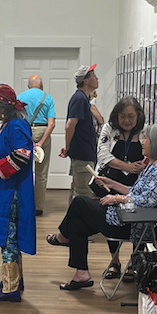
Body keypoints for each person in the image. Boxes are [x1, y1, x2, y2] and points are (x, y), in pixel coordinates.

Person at [47, 123, 157, 290]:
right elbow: (135, 192)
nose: (142, 142)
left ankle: (62, 237)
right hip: (122, 216)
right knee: (77, 224)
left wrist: (116, 198)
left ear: (154, 142)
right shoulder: (150, 167)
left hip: (127, 223)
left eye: (145, 139)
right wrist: (111, 183)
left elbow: (147, 200)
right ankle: (81, 273)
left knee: (79, 202)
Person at [0, 84, 36, 302]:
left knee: (8, 238)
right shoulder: (12, 124)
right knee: (10, 236)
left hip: (10, 194)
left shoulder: (15, 126)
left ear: (0, 108)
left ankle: (10, 288)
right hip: (8, 191)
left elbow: (22, 155)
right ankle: (13, 279)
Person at [94, 97, 147, 281]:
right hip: (110, 182)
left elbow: (153, 154)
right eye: (123, 116)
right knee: (111, 218)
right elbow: (102, 155)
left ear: (138, 116)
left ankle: (134, 262)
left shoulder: (144, 131)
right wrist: (128, 167)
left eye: (131, 116)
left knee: (138, 220)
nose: (126, 120)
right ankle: (114, 261)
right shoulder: (109, 128)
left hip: (136, 184)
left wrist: (144, 166)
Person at [17, 75, 56, 216]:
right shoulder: (48, 98)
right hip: (42, 130)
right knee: (41, 173)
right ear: (41, 85)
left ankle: (23, 204)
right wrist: (41, 141)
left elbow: (16, 119)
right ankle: (38, 207)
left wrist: (27, 137)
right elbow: (52, 124)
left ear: (29, 86)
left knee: (22, 170)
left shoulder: (20, 97)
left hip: (24, 131)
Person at [60, 64, 99, 202]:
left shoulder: (83, 98)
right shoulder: (80, 99)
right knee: (83, 193)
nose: (97, 78)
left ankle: (71, 222)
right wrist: (67, 146)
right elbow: (70, 125)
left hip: (85, 152)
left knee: (78, 189)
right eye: (94, 76)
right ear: (86, 80)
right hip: (82, 153)